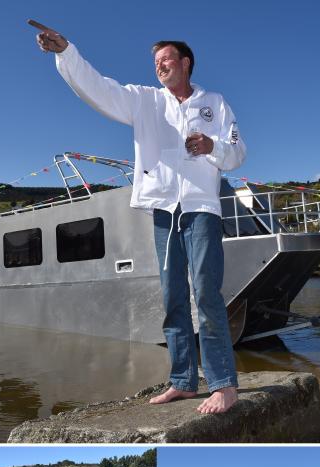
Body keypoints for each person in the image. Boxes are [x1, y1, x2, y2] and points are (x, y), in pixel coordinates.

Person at [31, 21, 246, 415]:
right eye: (156, 63)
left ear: (185, 63)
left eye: (166, 60)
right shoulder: (145, 100)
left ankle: (223, 384)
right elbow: (99, 89)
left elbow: (237, 152)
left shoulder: (214, 103)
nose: (160, 67)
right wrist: (66, 53)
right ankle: (183, 381)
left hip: (201, 208)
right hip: (164, 209)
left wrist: (212, 144)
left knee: (205, 290)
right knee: (172, 296)